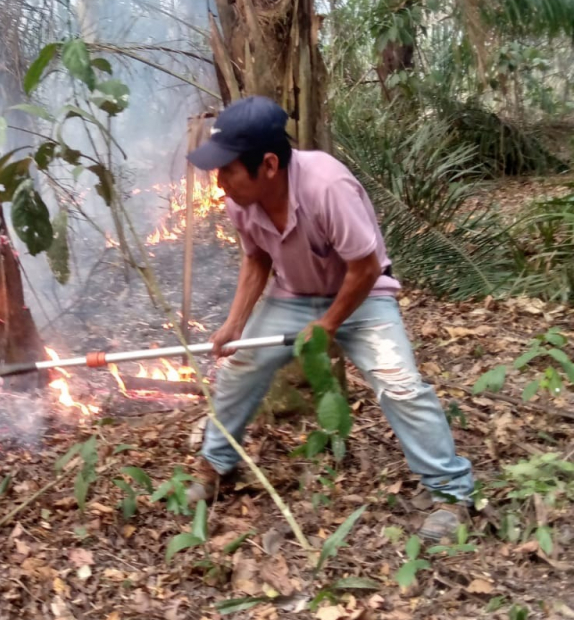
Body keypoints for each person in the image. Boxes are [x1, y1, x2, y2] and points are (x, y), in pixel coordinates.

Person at [186, 96, 473, 542]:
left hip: (361, 295)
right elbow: (257, 259)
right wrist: (235, 324)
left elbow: (366, 267)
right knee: (239, 367)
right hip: (294, 295)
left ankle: (451, 494)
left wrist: (330, 324)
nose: (219, 182)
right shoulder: (239, 202)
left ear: (267, 165)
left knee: (399, 384)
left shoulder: (326, 186)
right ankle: (214, 468)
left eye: (227, 170)